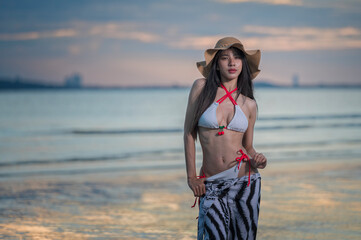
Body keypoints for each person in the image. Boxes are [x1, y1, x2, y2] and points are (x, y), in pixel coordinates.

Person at [183, 37, 267, 240]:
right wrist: (192, 177)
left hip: (245, 182)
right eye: (225, 58)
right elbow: (188, 133)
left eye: (237, 58)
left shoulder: (249, 104)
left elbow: (248, 146)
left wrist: (258, 158)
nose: (232, 62)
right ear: (216, 65)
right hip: (211, 183)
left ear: (243, 65)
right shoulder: (201, 88)